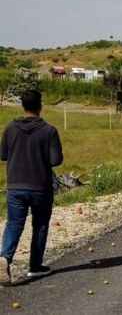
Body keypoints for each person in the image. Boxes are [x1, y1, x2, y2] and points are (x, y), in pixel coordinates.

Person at [0, 90, 63, 283]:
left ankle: (5, 257)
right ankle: (35, 266)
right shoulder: (49, 131)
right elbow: (55, 160)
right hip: (40, 186)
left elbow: (3, 155)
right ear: (40, 106)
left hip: (15, 185)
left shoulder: (10, 128)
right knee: (40, 224)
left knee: (14, 224)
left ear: (23, 105)